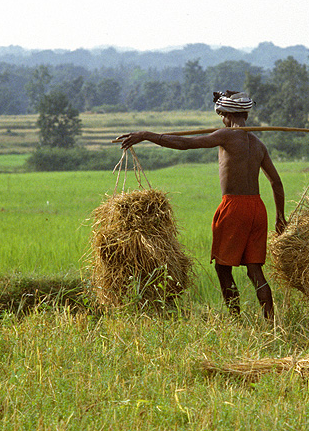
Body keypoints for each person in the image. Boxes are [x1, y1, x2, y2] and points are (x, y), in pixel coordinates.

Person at [117, 90, 286, 320]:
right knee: (255, 270)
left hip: (234, 207)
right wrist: (280, 217)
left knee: (222, 268)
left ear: (226, 113)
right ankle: (271, 322)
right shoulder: (258, 144)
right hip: (257, 208)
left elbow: (185, 144)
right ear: (245, 113)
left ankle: (236, 319)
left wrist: (147, 135)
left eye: (221, 114)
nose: (221, 119)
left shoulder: (226, 135)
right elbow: (276, 182)